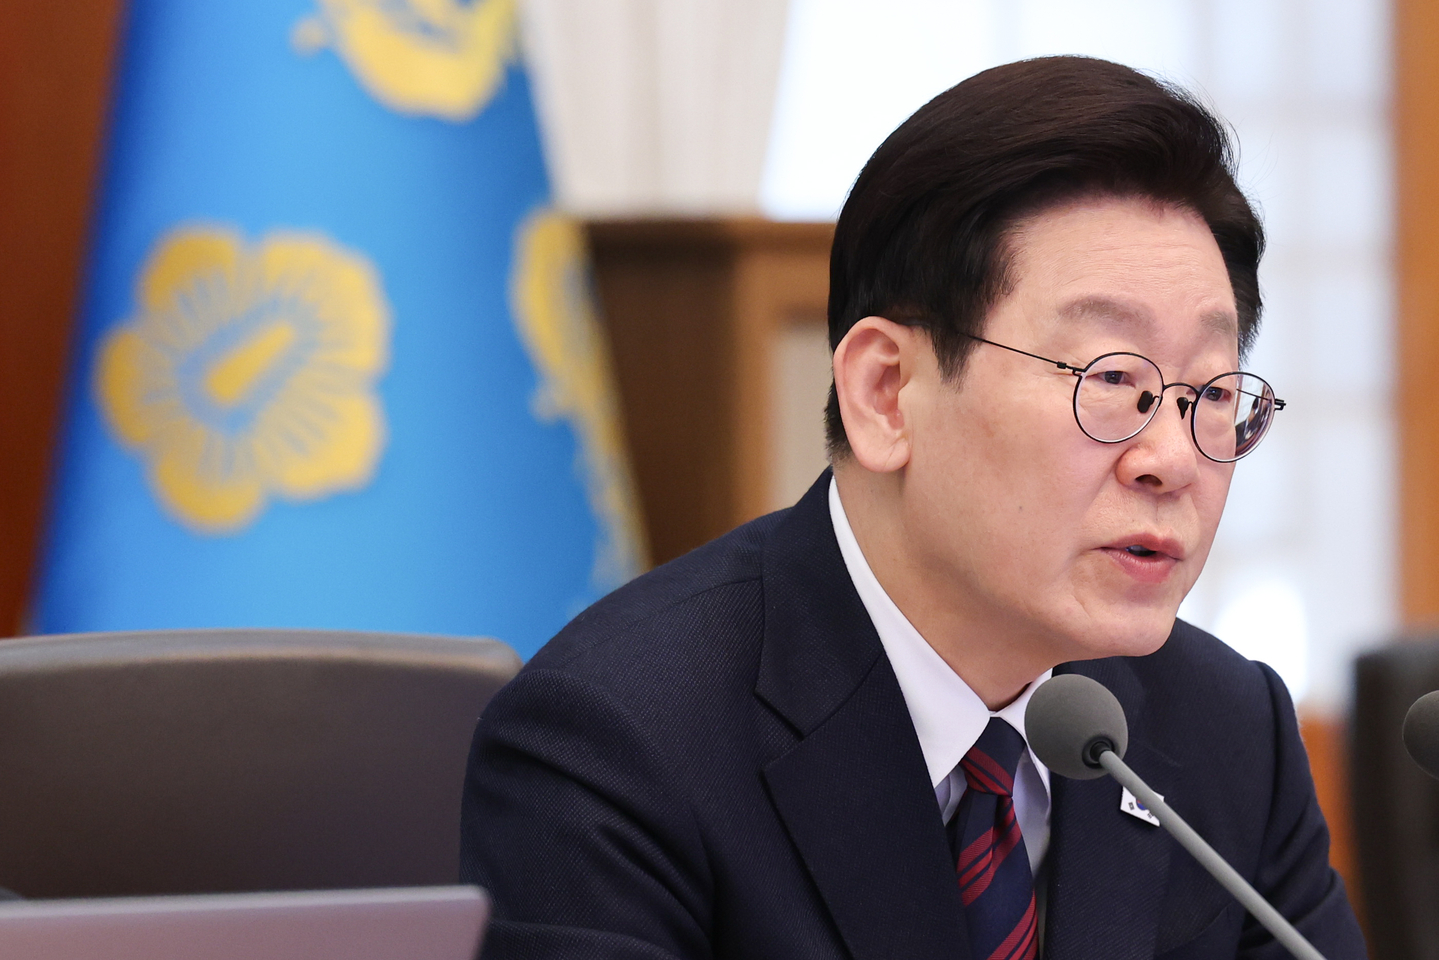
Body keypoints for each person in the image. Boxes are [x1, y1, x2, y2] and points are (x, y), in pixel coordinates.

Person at [460, 56, 1367, 960]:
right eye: (1112, 379)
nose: (1171, 459)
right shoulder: (618, 743)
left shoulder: (1223, 733)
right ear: (886, 393)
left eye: (1211, 393)